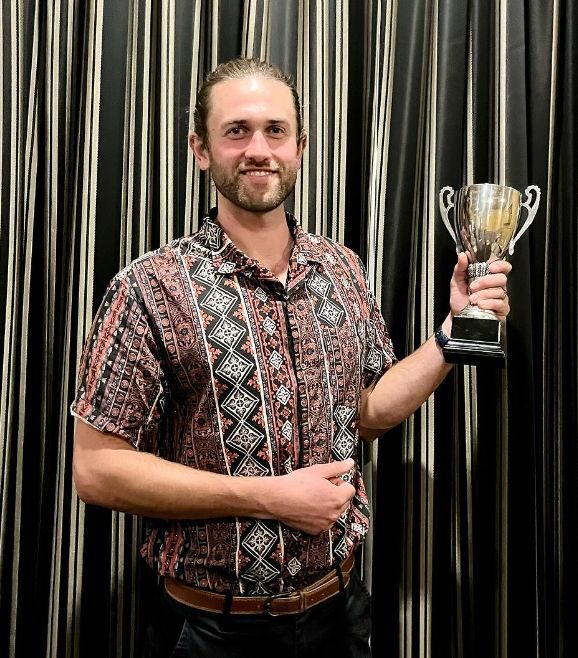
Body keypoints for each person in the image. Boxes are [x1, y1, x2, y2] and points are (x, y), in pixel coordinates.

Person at [71, 58, 511, 658]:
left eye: (276, 130)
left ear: (300, 147)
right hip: (208, 632)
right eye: (237, 131)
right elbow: (97, 471)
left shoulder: (343, 270)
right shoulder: (150, 287)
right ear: (200, 150)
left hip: (338, 615)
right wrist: (269, 496)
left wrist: (453, 334)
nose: (259, 148)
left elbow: (366, 412)